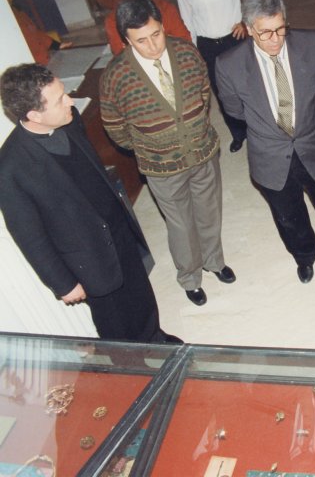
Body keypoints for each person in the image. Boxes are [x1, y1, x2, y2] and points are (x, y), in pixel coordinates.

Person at [0, 63, 180, 343]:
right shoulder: (10, 168)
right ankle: (131, 369)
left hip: (118, 229)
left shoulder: (70, 121)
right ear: (34, 114)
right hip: (87, 259)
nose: (70, 101)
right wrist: (63, 283)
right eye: (60, 99)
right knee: (115, 323)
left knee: (140, 293)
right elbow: (29, 235)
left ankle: (154, 337)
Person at [215, 0, 315, 283]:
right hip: (270, 155)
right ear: (248, 29)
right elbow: (234, 110)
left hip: (314, 144)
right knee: (289, 215)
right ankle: (305, 256)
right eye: (265, 33)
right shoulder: (228, 65)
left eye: (280, 29)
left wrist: (306, 119)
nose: (275, 40)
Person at [100, 0, 235, 306]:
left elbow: (203, 94)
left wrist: (194, 128)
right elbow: (115, 126)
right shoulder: (115, 76)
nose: (153, 46)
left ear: (162, 26)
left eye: (157, 34)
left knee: (209, 212)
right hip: (161, 166)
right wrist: (151, 145)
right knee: (181, 225)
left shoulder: (187, 52)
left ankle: (215, 261)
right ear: (126, 40)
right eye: (142, 41)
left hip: (202, 152)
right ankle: (190, 276)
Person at [177, 0, 248, 153]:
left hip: (234, 37)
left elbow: (245, 2)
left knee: (246, 85)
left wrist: (244, 22)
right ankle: (238, 133)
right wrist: (194, 50)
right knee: (222, 92)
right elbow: (187, 20)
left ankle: (258, 128)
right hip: (207, 45)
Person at [99, 0, 191, 56]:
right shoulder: (113, 20)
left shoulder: (166, 8)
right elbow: (121, 56)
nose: (152, 47)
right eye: (141, 40)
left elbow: (185, 43)